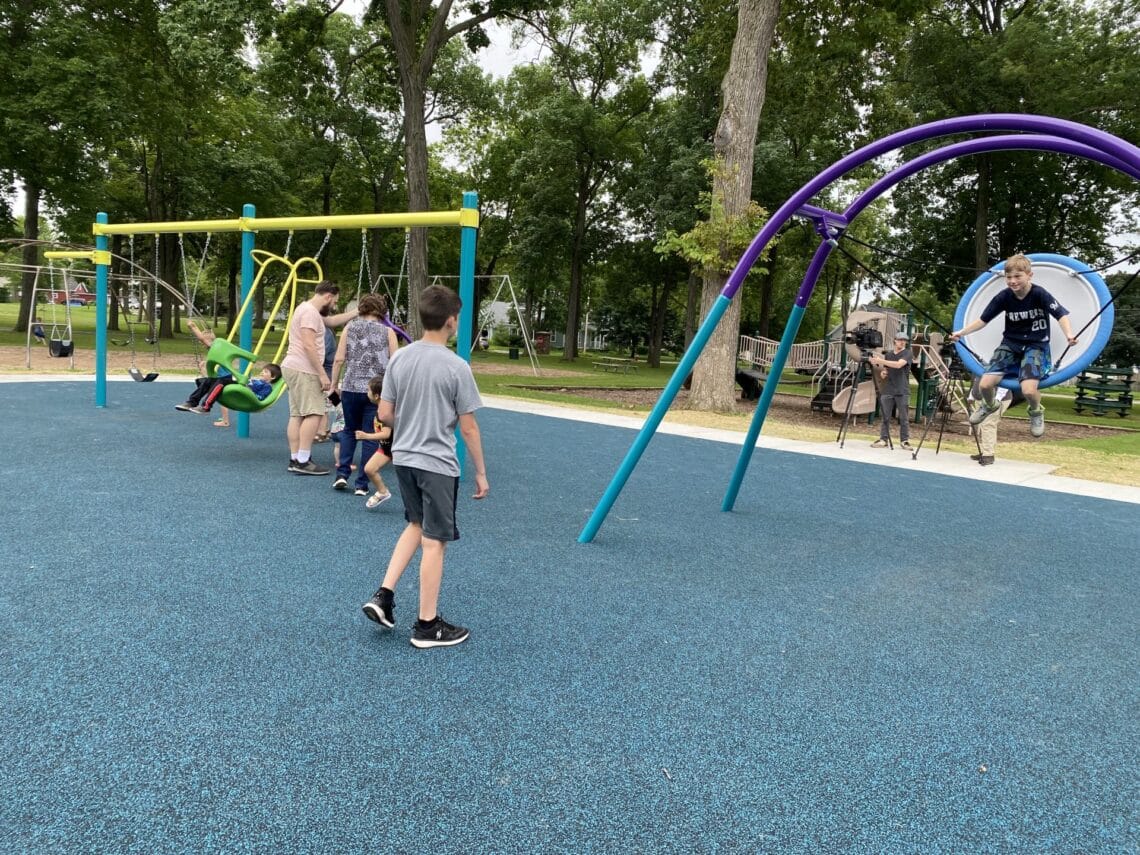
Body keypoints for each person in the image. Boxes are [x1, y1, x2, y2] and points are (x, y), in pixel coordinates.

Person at [362, 284, 489, 649]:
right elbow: (468, 426)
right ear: (451, 321)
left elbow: (385, 413)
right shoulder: (456, 367)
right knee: (435, 542)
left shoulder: (400, 358)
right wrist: (480, 472)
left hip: (403, 458)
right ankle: (427, 625)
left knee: (416, 525)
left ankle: (384, 595)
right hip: (436, 464)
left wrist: (411, 424)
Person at [950, 253, 1078, 438]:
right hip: (1011, 344)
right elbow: (983, 320)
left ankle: (1036, 411)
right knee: (984, 386)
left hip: (1036, 345)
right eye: (1009, 277)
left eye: (1018, 276)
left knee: (1028, 390)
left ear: (1029, 275)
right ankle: (989, 405)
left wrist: (1069, 335)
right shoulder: (1004, 297)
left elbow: (1061, 315)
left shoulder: (1039, 294)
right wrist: (961, 333)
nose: (1012, 281)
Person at [280, 281, 357, 475]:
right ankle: (303, 461)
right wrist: (323, 375)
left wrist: (357, 312)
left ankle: (296, 458)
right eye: (334, 302)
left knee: (297, 414)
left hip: (295, 367)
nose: (333, 306)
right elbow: (309, 345)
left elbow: (331, 322)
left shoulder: (308, 310)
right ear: (328, 297)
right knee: (314, 413)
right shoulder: (309, 313)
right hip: (304, 369)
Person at [329, 293, 399, 496]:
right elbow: (395, 362)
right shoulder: (388, 332)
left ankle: (342, 474)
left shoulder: (350, 328)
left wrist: (334, 384)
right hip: (376, 390)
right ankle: (362, 483)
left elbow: (339, 359)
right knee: (370, 435)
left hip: (351, 386)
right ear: (381, 311)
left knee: (349, 430)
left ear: (362, 309)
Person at [175, 319, 235, 414]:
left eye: (204, 343)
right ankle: (192, 402)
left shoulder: (216, 348)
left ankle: (205, 407)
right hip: (217, 378)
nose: (203, 344)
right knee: (206, 383)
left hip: (225, 379)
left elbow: (202, 338)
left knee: (216, 386)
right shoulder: (214, 351)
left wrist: (193, 327)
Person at [867, 331, 913, 450]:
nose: (902, 342)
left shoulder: (907, 353)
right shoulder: (889, 355)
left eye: (904, 340)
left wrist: (880, 361)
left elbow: (898, 365)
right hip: (888, 389)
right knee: (885, 416)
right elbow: (887, 370)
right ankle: (883, 439)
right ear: (895, 341)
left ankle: (904, 441)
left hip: (902, 389)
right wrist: (884, 372)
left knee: (903, 417)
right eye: (900, 340)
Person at [356, 375, 394, 509]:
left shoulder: (385, 412)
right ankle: (383, 491)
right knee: (369, 469)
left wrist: (366, 436)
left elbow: (386, 433)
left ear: (377, 395)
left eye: (368, 390)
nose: (367, 393)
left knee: (412, 477)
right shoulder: (379, 408)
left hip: (398, 448)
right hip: (385, 447)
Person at [966, 379, 1025, 466]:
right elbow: (977, 378)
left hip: (994, 400)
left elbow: (1005, 382)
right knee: (984, 425)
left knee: (988, 424)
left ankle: (988, 455)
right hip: (981, 398)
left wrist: (997, 400)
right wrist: (972, 395)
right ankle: (986, 452)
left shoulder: (1001, 366)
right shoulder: (982, 365)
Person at [194, 363, 281, 413]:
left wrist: (249, 390)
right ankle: (193, 401)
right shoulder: (258, 381)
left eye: (265, 372)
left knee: (222, 381)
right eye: (262, 371)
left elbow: (260, 398)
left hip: (244, 393)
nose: (262, 373)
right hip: (241, 387)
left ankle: (206, 406)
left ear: (272, 377)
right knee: (212, 380)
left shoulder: (267, 387)